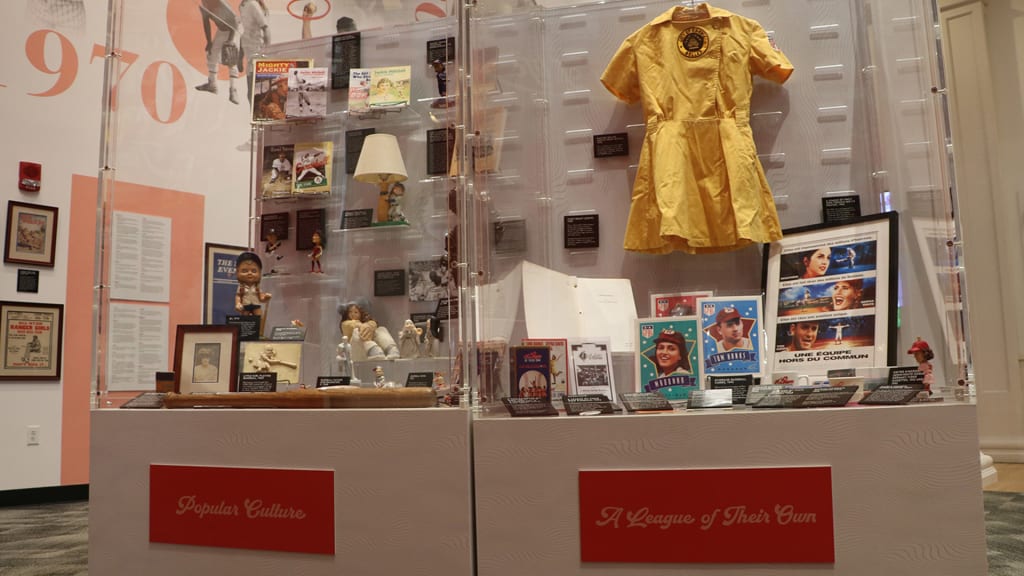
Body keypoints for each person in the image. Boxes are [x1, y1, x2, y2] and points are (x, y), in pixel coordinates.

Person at [194, 0, 242, 105]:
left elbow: (234, 21)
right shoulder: (203, 5)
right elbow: (206, 22)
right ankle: (212, 85)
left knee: (231, 59)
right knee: (212, 55)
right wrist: (209, 41)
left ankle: (233, 90)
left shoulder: (220, 3)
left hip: (233, 30)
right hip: (221, 30)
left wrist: (231, 40)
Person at [238, 0, 271, 104]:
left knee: (256, 94)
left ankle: (262, 117)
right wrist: (240, 57)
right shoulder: (243, 6)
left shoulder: (252, 4)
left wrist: (267, 53)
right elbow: (243, 34)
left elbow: (266, 28)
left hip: (258, 54)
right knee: (251, 95)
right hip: (250, 57)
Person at [235, 251, 271, 334]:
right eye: (244, 271)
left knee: (259, 317)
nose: (249, 273)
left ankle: (259, 333)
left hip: (255, 304)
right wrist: (237, 304)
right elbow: (238, 296)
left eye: (254, 271)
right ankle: (244, 334)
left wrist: (265, 297)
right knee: (244, 320)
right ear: (237, 272)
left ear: (260, 273)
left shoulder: (257, 287)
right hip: (246, 305)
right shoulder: (241, 287)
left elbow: (260, 298)